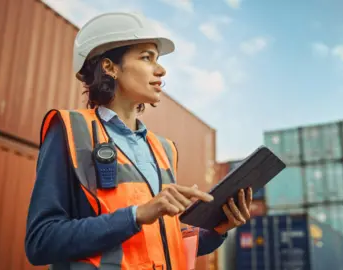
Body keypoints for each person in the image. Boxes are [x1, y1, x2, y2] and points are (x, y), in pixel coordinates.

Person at [24, 11, 254, 270]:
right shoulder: (70, 130)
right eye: (147, 57)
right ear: (110, 67)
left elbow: (162, 245)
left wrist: (216, 231)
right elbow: (40, 241)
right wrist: (136, 215)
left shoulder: (164, 149)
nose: (162, 69)